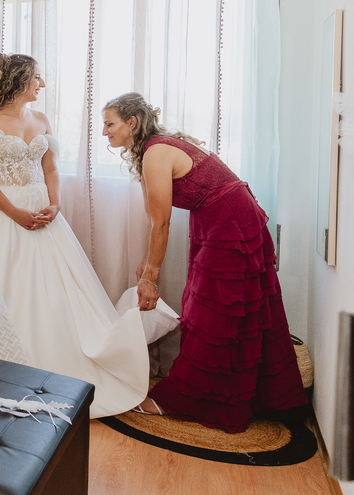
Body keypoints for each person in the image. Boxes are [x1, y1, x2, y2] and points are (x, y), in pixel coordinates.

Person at [0, 54, 150, 417]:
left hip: (44, 216)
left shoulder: (41, 119)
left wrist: (55, 204)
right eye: (37, 77)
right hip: (0, 214)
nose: (43, 83)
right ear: (20, 79)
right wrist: (15, 213)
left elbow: (49, 168)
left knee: (55, 294)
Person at [102, 92, 307, 432]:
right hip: (223, 219)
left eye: (110, 124)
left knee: (213, 314)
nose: (105, 132)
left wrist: (150, 279)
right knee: (228, 311)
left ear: (131, 123)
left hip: (229, 223)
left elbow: (161, 223)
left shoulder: (156, 152)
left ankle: (188, 400)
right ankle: (255, 397)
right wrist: (145, 263)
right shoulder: (153, 150)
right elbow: (154, 218)